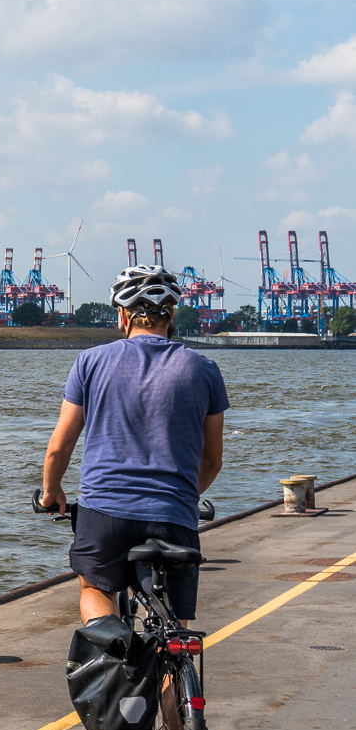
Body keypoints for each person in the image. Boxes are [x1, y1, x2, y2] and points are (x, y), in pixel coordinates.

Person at [41, 264, 227, 630]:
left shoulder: (90, 362)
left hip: (104, 512)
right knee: (174, 623)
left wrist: (52, 492)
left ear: (123, 315)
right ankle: (174, 676)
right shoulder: (205, 369)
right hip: (173, 514)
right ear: (171, 315)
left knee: (95, 588)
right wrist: (183, 496)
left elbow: (58, 449)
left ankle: (115, 655)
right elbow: (212, 460)